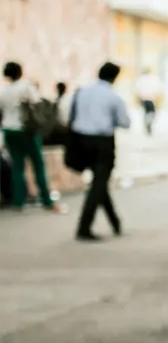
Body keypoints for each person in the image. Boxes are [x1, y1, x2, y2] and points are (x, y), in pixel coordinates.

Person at [70, 62, 130, 240]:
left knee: (99, 182)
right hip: (102, 142)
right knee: (99, 183)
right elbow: (125, 122)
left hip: (82, 140)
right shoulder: (113, 97)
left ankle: (115, 222)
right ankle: (84, 227)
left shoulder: (82, 92)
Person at [0, 61, 64, 213]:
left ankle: (18, 201)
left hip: (9, 130)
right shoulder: (25, 87)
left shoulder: (3, 91)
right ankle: (46, 200)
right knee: (38, 165)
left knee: (17, 166)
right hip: (26, 130)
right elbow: (38, 104)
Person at [134, 67, 161, 135]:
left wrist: (137, 99)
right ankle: (148, 123)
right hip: (151, 99)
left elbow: (137, 90)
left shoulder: (141, 79)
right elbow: (157, 90)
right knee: (152, 112)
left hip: (143, 99)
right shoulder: (153, 78)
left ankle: (147, 123)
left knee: (146, 112)